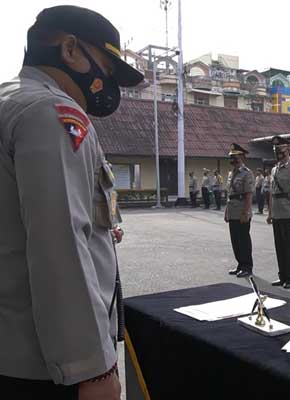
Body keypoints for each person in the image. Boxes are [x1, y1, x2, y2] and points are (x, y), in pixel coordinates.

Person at [0, 5, 144, 398]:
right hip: (46, 368)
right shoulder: (51, 113)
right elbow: (60, 246)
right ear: (69, 49)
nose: (107, 83)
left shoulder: (10, 101)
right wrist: (91, 369)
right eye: (107, 68)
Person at [267, 136, 290, 289]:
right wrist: (270, 213)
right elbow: (271, 193)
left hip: (288, 212)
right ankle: (282, 276)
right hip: (277, 212)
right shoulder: (275, 169)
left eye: (280, 149)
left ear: (288, 149)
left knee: (289, 246)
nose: (277, 152)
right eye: (276, 149)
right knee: (279, 246)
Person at [224, 143, 254, 278]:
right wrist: (226, 211)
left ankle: (247, 266)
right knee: (235, 240)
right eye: (231, 157)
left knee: (243, 240)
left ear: (241, 157)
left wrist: (246, 212)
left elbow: (248, 195)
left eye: (235, 156)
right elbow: (229, 194)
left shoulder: (247, 173)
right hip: (232, 210)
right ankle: (240, 265)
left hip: (242, 210)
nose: (233, 159)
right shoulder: (231, 173)